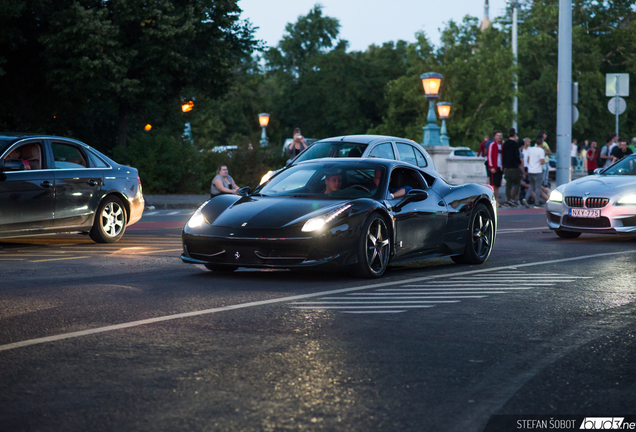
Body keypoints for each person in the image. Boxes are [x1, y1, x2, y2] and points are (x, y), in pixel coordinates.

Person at [523, 133, 546, 208]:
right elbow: (542, 161)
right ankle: (536, 203)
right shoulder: (541, 151)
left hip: (530, 170)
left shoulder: (531, 149)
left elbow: (528, 160)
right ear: (542, 142)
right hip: (538, 170)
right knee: (538, 187)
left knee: (531, 186)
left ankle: (525, 198)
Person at [502, 128, 523, 206]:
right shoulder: (515, 144)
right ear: (514, 135)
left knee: (508, 184)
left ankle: (508, 198)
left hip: (507, 167)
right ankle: (512, 199)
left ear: (508, 135)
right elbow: (516, 155)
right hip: (514, 167)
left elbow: (503, 155)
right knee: (517, 183)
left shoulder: (505, 144)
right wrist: (519, 162)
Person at [487, 130, 504, 207]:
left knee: (497, 186)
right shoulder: (492, 145)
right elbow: (489, 156)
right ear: (495, 137)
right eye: (498, 135)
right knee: (493, 185)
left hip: (500, 167)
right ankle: (492, 200)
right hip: (494, 167)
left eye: (500, 135)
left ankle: (496, 201)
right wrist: (491, 167)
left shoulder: (502, 146)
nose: (499, 137)